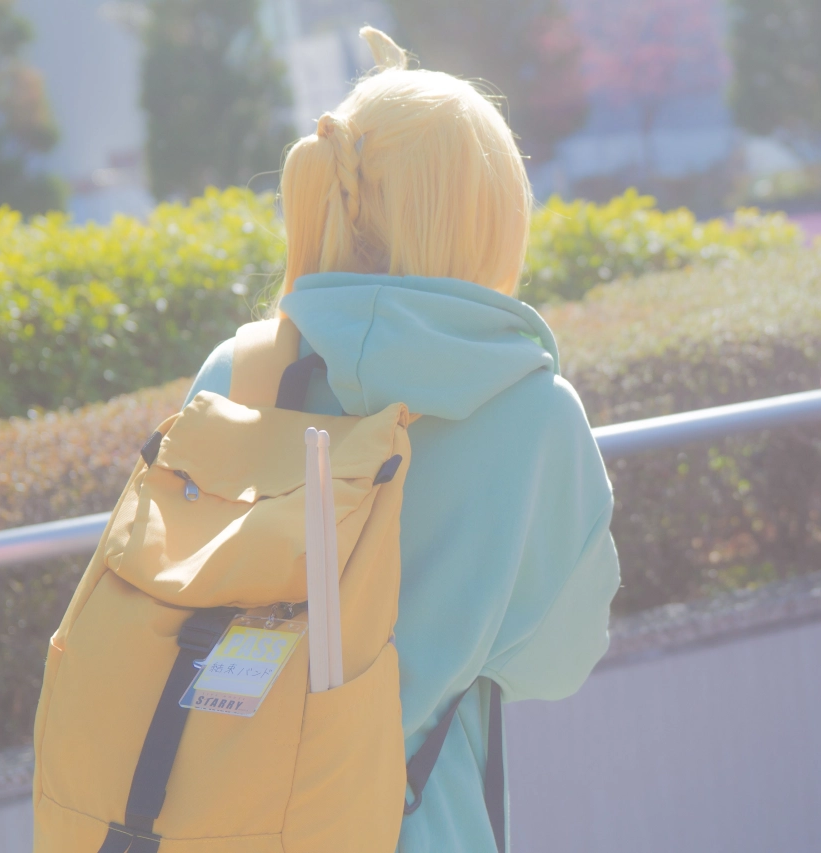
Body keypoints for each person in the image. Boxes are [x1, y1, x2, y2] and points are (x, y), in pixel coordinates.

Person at [184, 28, 620, 853]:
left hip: (217, 813)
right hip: (415, 818)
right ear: (488, 216)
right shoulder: (532, 411)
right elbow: (558, 660)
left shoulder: (237, 371)